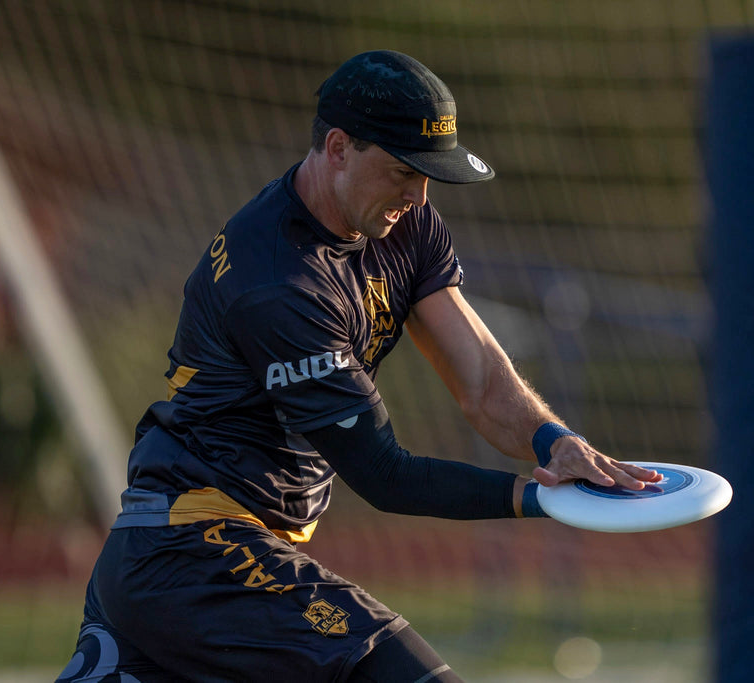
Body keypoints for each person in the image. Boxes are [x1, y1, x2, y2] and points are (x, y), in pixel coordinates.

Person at [56, 50, 661, 683]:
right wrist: (543, 499)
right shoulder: (280, 284)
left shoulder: (405, 222)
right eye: (404, 171)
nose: (419, 195)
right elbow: (384, 476)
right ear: (339, 148)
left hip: (192, 560)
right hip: (192, 552)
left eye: (429, 176)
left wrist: (555, 442)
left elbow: (480, 380)